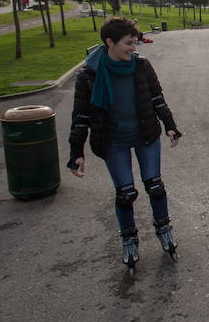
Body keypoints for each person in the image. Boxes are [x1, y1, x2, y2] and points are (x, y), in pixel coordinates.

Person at [67, 17, 183, 271]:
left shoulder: (141, 66)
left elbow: (157, 99)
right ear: (110, 42)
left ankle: (163, 228)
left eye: (134, 42)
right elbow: (81, 116)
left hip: (145, 134)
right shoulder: (89, 75)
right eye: (128, 43)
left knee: (155, 186)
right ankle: (129, 238)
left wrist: (170, 126)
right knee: (126, 193)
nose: (134, 47)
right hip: (113, 140)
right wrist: (77, 151)